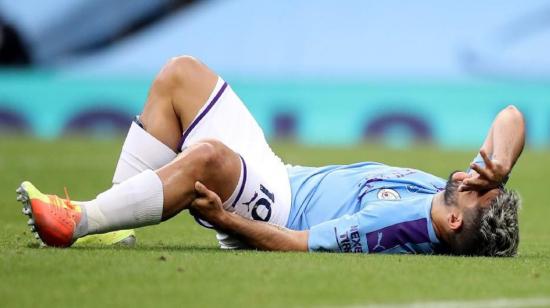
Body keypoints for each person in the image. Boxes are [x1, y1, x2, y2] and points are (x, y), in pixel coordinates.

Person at [16, 56, 525, 256]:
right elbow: (510, 115)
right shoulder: (445, 194)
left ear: (456, 220)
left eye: (480, 188)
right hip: (281, 175)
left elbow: (302, 245)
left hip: (277, 209)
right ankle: (115, 227)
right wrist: (501, 164)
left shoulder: (397, 227)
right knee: (181, 76)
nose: (473, 173)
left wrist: (227, 222)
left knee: (209, 157)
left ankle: (80, 220)